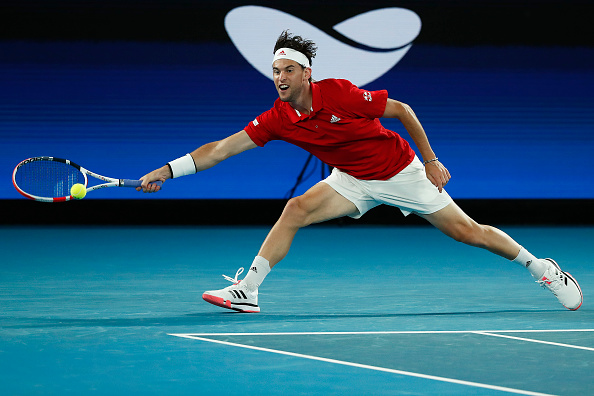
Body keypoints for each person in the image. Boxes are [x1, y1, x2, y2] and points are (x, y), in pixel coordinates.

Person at [138, 31, 582, 312]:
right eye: (275, 71)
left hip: (400, 171)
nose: (280, 77)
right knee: (296, 209)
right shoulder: (276, 117)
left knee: (469, 232)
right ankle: (248, 290)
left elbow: (402, 110)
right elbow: (220, 150)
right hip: (351, 181)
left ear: (306, 73)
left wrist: (430, 161)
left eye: (288, 69)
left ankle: (541, 267)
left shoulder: (341, 94)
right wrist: (167, 170)